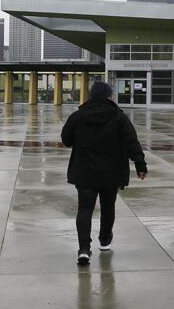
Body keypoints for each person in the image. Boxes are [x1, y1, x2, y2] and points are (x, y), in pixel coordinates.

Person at [61, 80, 147, 266]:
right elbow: (132, 142)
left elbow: (66, 139)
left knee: (84, 209)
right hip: (111, 174)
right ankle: (105, 240)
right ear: (108, 96)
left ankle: (84, 250)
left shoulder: (78, 116)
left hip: (85, 173)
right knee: (108, 208)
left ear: (91, 95)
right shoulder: (119, 117)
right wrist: (140, 164)